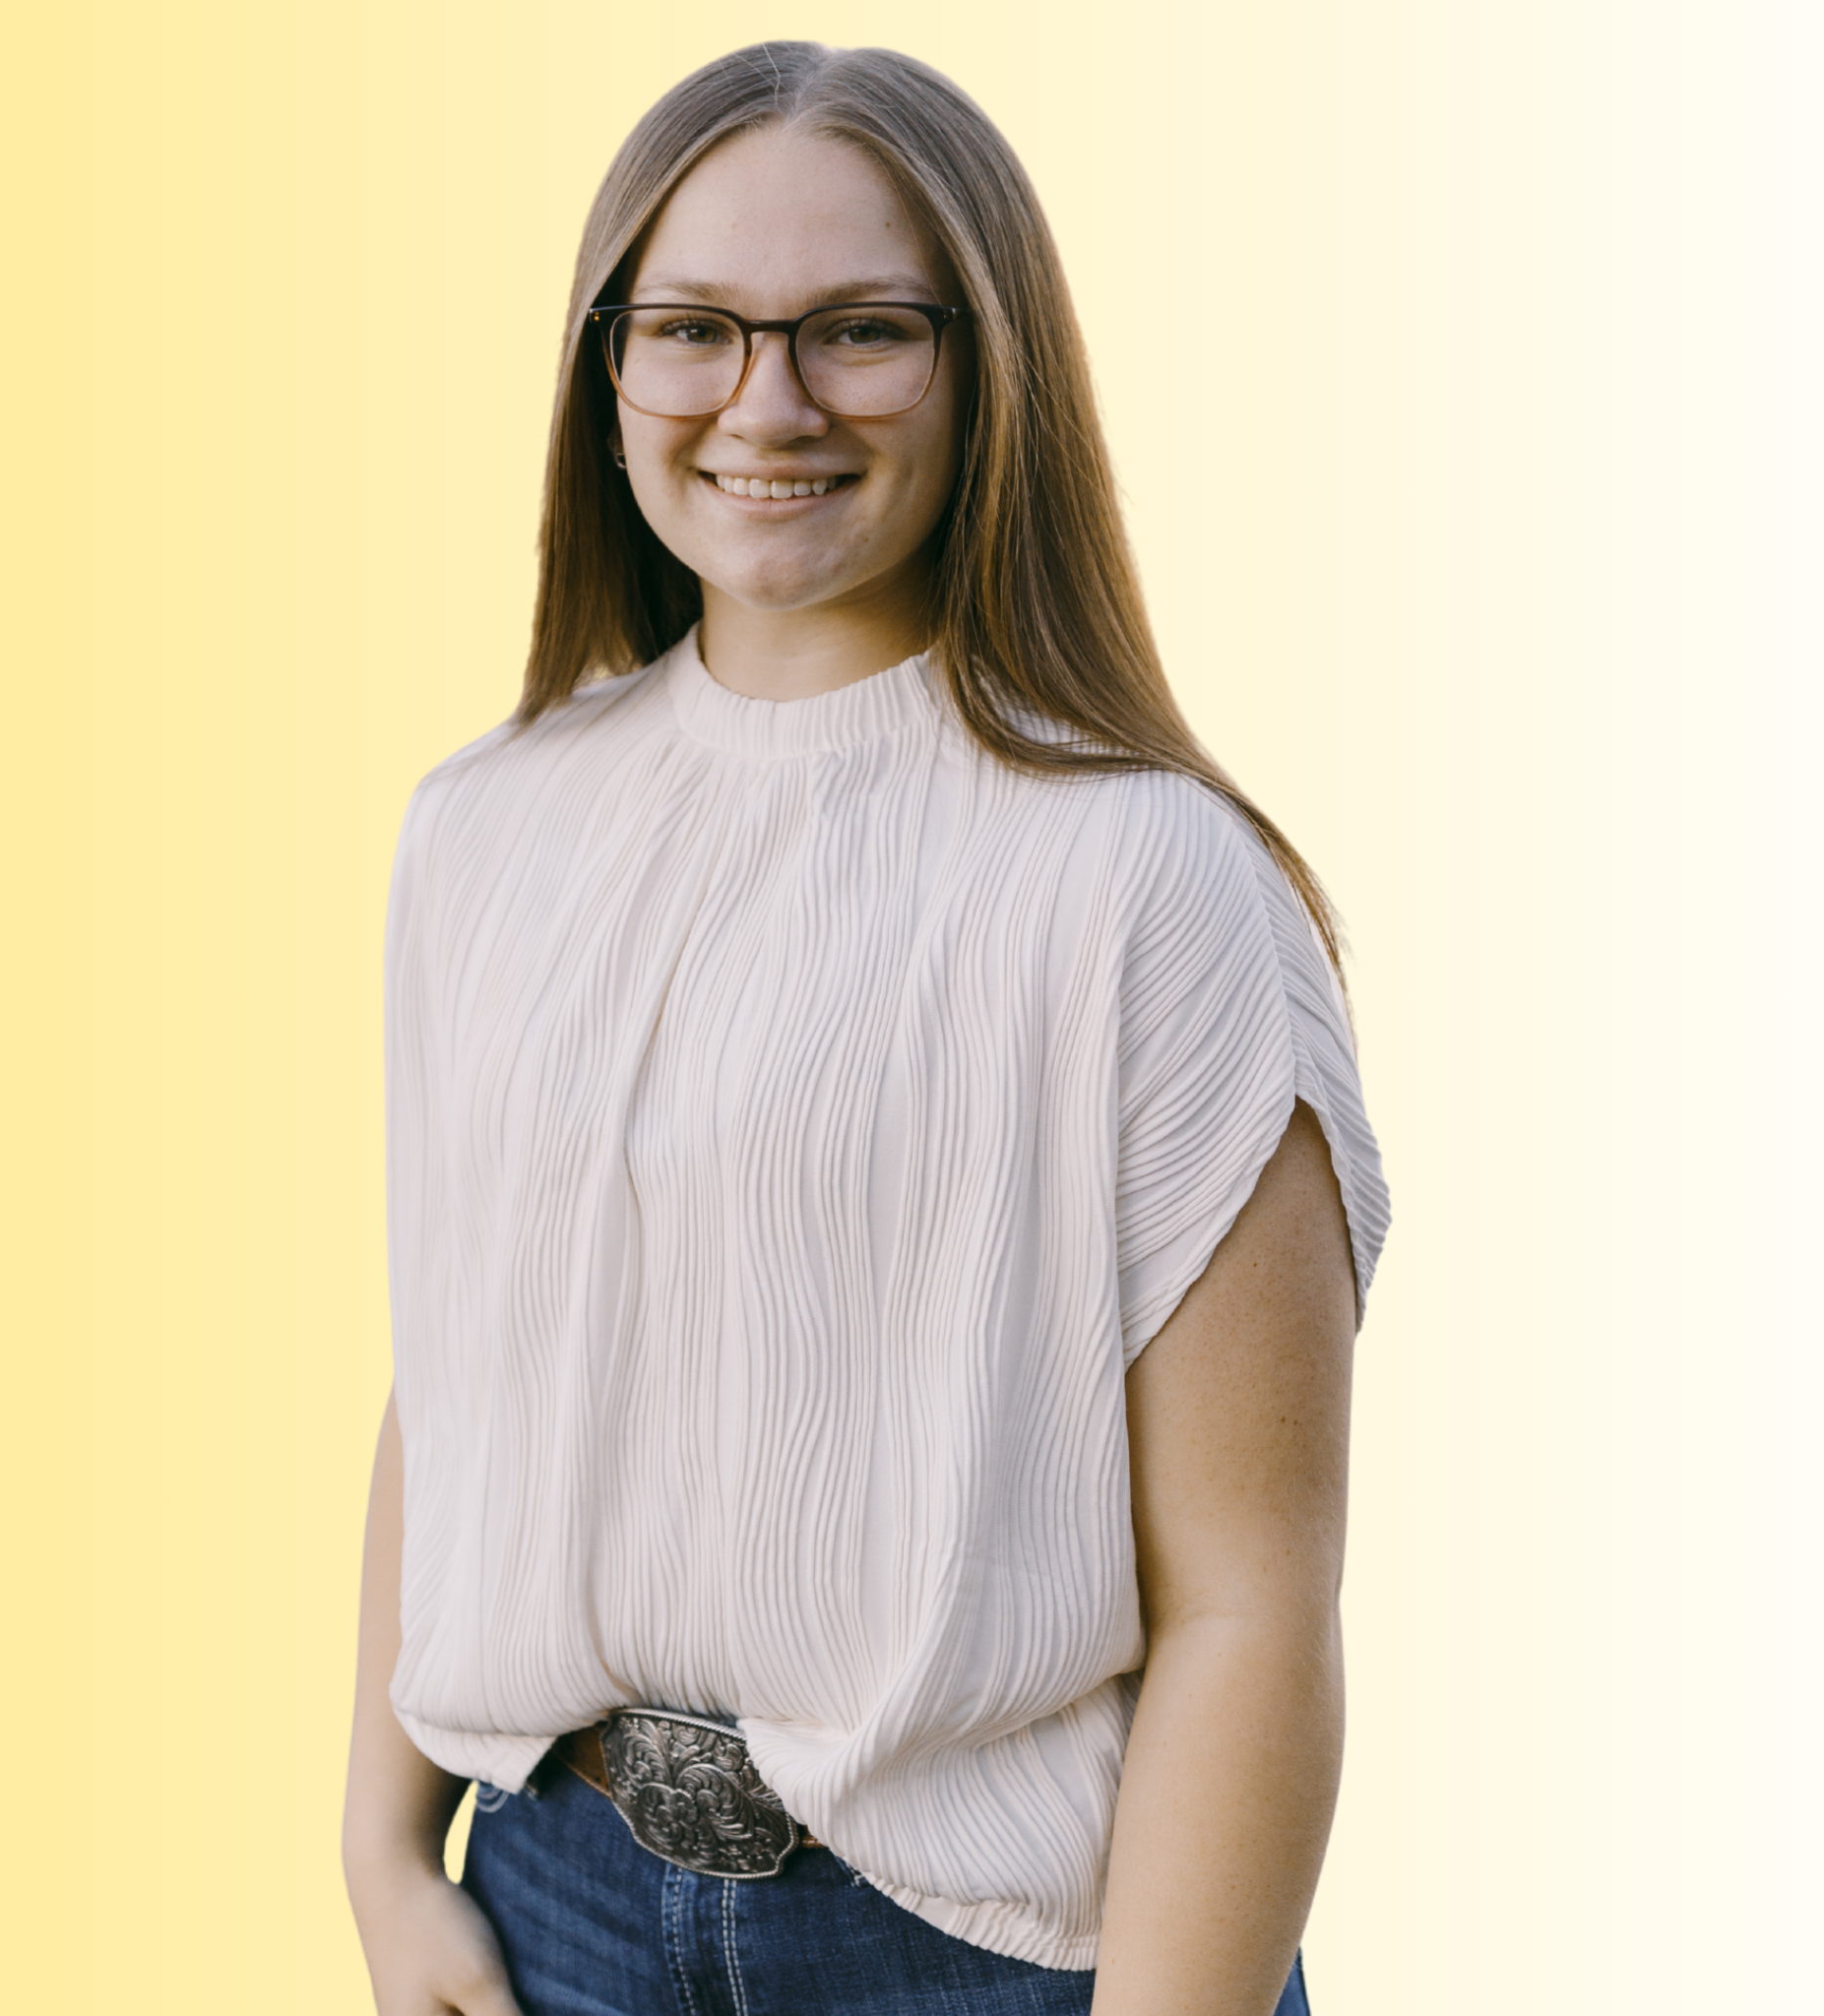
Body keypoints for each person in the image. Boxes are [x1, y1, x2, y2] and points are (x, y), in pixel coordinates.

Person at [342, 39, 1388, 2016]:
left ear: (988, 369)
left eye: (859, 332)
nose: (767, 401)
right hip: (548, 1903)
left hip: (1004, 1955)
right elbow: (456, 1379)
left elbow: (1255, 1605)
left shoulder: (1149, 881)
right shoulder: (479, 829)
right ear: (609, 368)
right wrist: (384, 1856)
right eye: (696, 329)